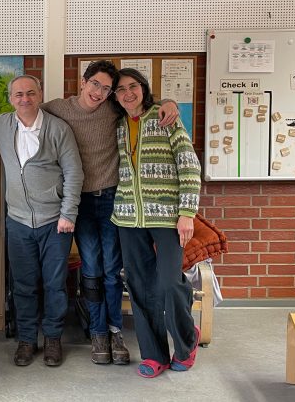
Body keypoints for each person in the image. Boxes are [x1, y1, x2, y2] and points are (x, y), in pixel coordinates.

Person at [41, 60, 178, 365]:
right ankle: (97, 332)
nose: (100, 93)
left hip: (115, 198)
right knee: (91, 267)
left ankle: (115, 331)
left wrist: (169, 102)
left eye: (106, 88)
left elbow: (145, 105)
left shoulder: (114, 108)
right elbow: (21, 113)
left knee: (112, 270)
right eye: (95, 85)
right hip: (82, 201)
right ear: (83, 81)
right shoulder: (58, 108)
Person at [0, 75, 83, 367]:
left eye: (31, 93)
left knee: (54, 284)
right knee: (23, 285)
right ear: (11, 99)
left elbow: (74, 173)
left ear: (40, 95)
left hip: (55, 223)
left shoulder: (58, 129)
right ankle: (26, 339)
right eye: (19, 95)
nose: (25, 99)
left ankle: (52, 339)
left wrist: (68, 215)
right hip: (18, 222)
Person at [110, 67, 202, 379]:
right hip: (127, 217)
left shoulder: (164, 117)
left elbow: (189, 166)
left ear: (143, 88)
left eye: (132, 86)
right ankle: (153, 354)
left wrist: (186, 213)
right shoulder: (119, 125)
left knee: (168, 282)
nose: (127, 94)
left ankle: (187, 341)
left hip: (166, 216)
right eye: (120, 90)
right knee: (139, 286)